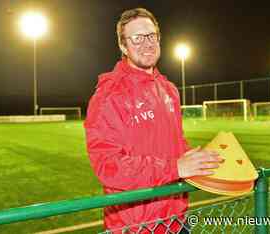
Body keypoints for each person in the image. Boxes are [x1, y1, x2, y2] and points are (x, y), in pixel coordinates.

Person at [84, 8, 223, 233]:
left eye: (151, 36)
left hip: (177, 219)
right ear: (123, 47)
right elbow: (108, 166)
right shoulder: (109, 96)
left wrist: (195, 159)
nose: (147, 43)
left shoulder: (168, 89)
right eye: (137, 38)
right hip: (134, 226)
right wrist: (175, 167)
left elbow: (173, 143)